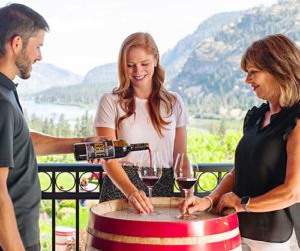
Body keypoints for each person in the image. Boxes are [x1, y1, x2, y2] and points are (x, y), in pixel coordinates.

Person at [180, 34, 300, 250]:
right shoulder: (256, 117)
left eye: (253, 72)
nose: (247, 80)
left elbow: (293, 192)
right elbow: (238, 172)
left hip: (276, 239)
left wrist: (243, 204)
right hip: (236, 230)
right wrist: (209, 200)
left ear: (278, 69)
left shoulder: (297, 120)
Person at [0, 3, 100, 251]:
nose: (40, 56)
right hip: (13, 239)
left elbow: (22, 143)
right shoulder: (1, 102)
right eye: (38, 47)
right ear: (16, 44)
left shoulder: (7, 91)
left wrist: (82, 144)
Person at [94, 32, 189, 214]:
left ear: (156, 60)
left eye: (144, 64)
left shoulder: (174, 102)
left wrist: (188, 193)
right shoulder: (110, 102)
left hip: (163, 186)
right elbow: (108, 158)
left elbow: (181, 157)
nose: (138, 71)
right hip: (121, 188)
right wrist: (131, 192)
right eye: (130, 65)